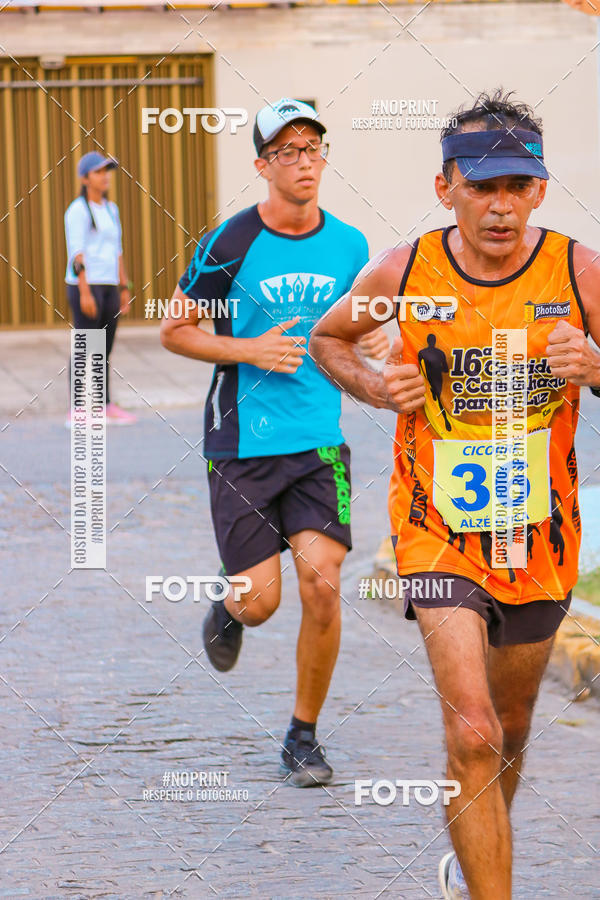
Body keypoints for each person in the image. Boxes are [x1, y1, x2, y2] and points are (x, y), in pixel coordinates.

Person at [310, 90, 600, 897]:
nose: (500, 206)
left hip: (539, 539)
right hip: (435, 529)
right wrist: (376, 386)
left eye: (517, 187)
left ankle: (475, 853)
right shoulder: (404, 270)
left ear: (539, 190)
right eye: (481, 187)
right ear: (446, 189)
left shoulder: (579, 271)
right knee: (472, 729)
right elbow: (328, 337)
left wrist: (596, 368)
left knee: (510, 727)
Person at [160, 98, 388, 787]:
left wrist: (377, 342)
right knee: (261, 602)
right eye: (287, 151)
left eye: (312, 148)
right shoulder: (228, 244)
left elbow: (358, 327)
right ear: (263, 166)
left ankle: (302, 736)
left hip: (319, 442)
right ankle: (229, 607)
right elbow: (175, 330)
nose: (304, 162)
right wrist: (250, 349)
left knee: (323, 585)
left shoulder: (350, 245)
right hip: (241, 443)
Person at [64, 150, 136, 425]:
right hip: (86, 286)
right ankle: (77, 409)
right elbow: (77, 254)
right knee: (86, 347)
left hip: (109, 286)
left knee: (104, 348)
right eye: (98, 172)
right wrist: (84, 292)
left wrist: (124, 287)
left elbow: (118, 250)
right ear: (85, 179)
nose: (105, 176)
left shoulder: (111, 209)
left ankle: (104, 406)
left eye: (106, 171)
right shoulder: (78, 210)